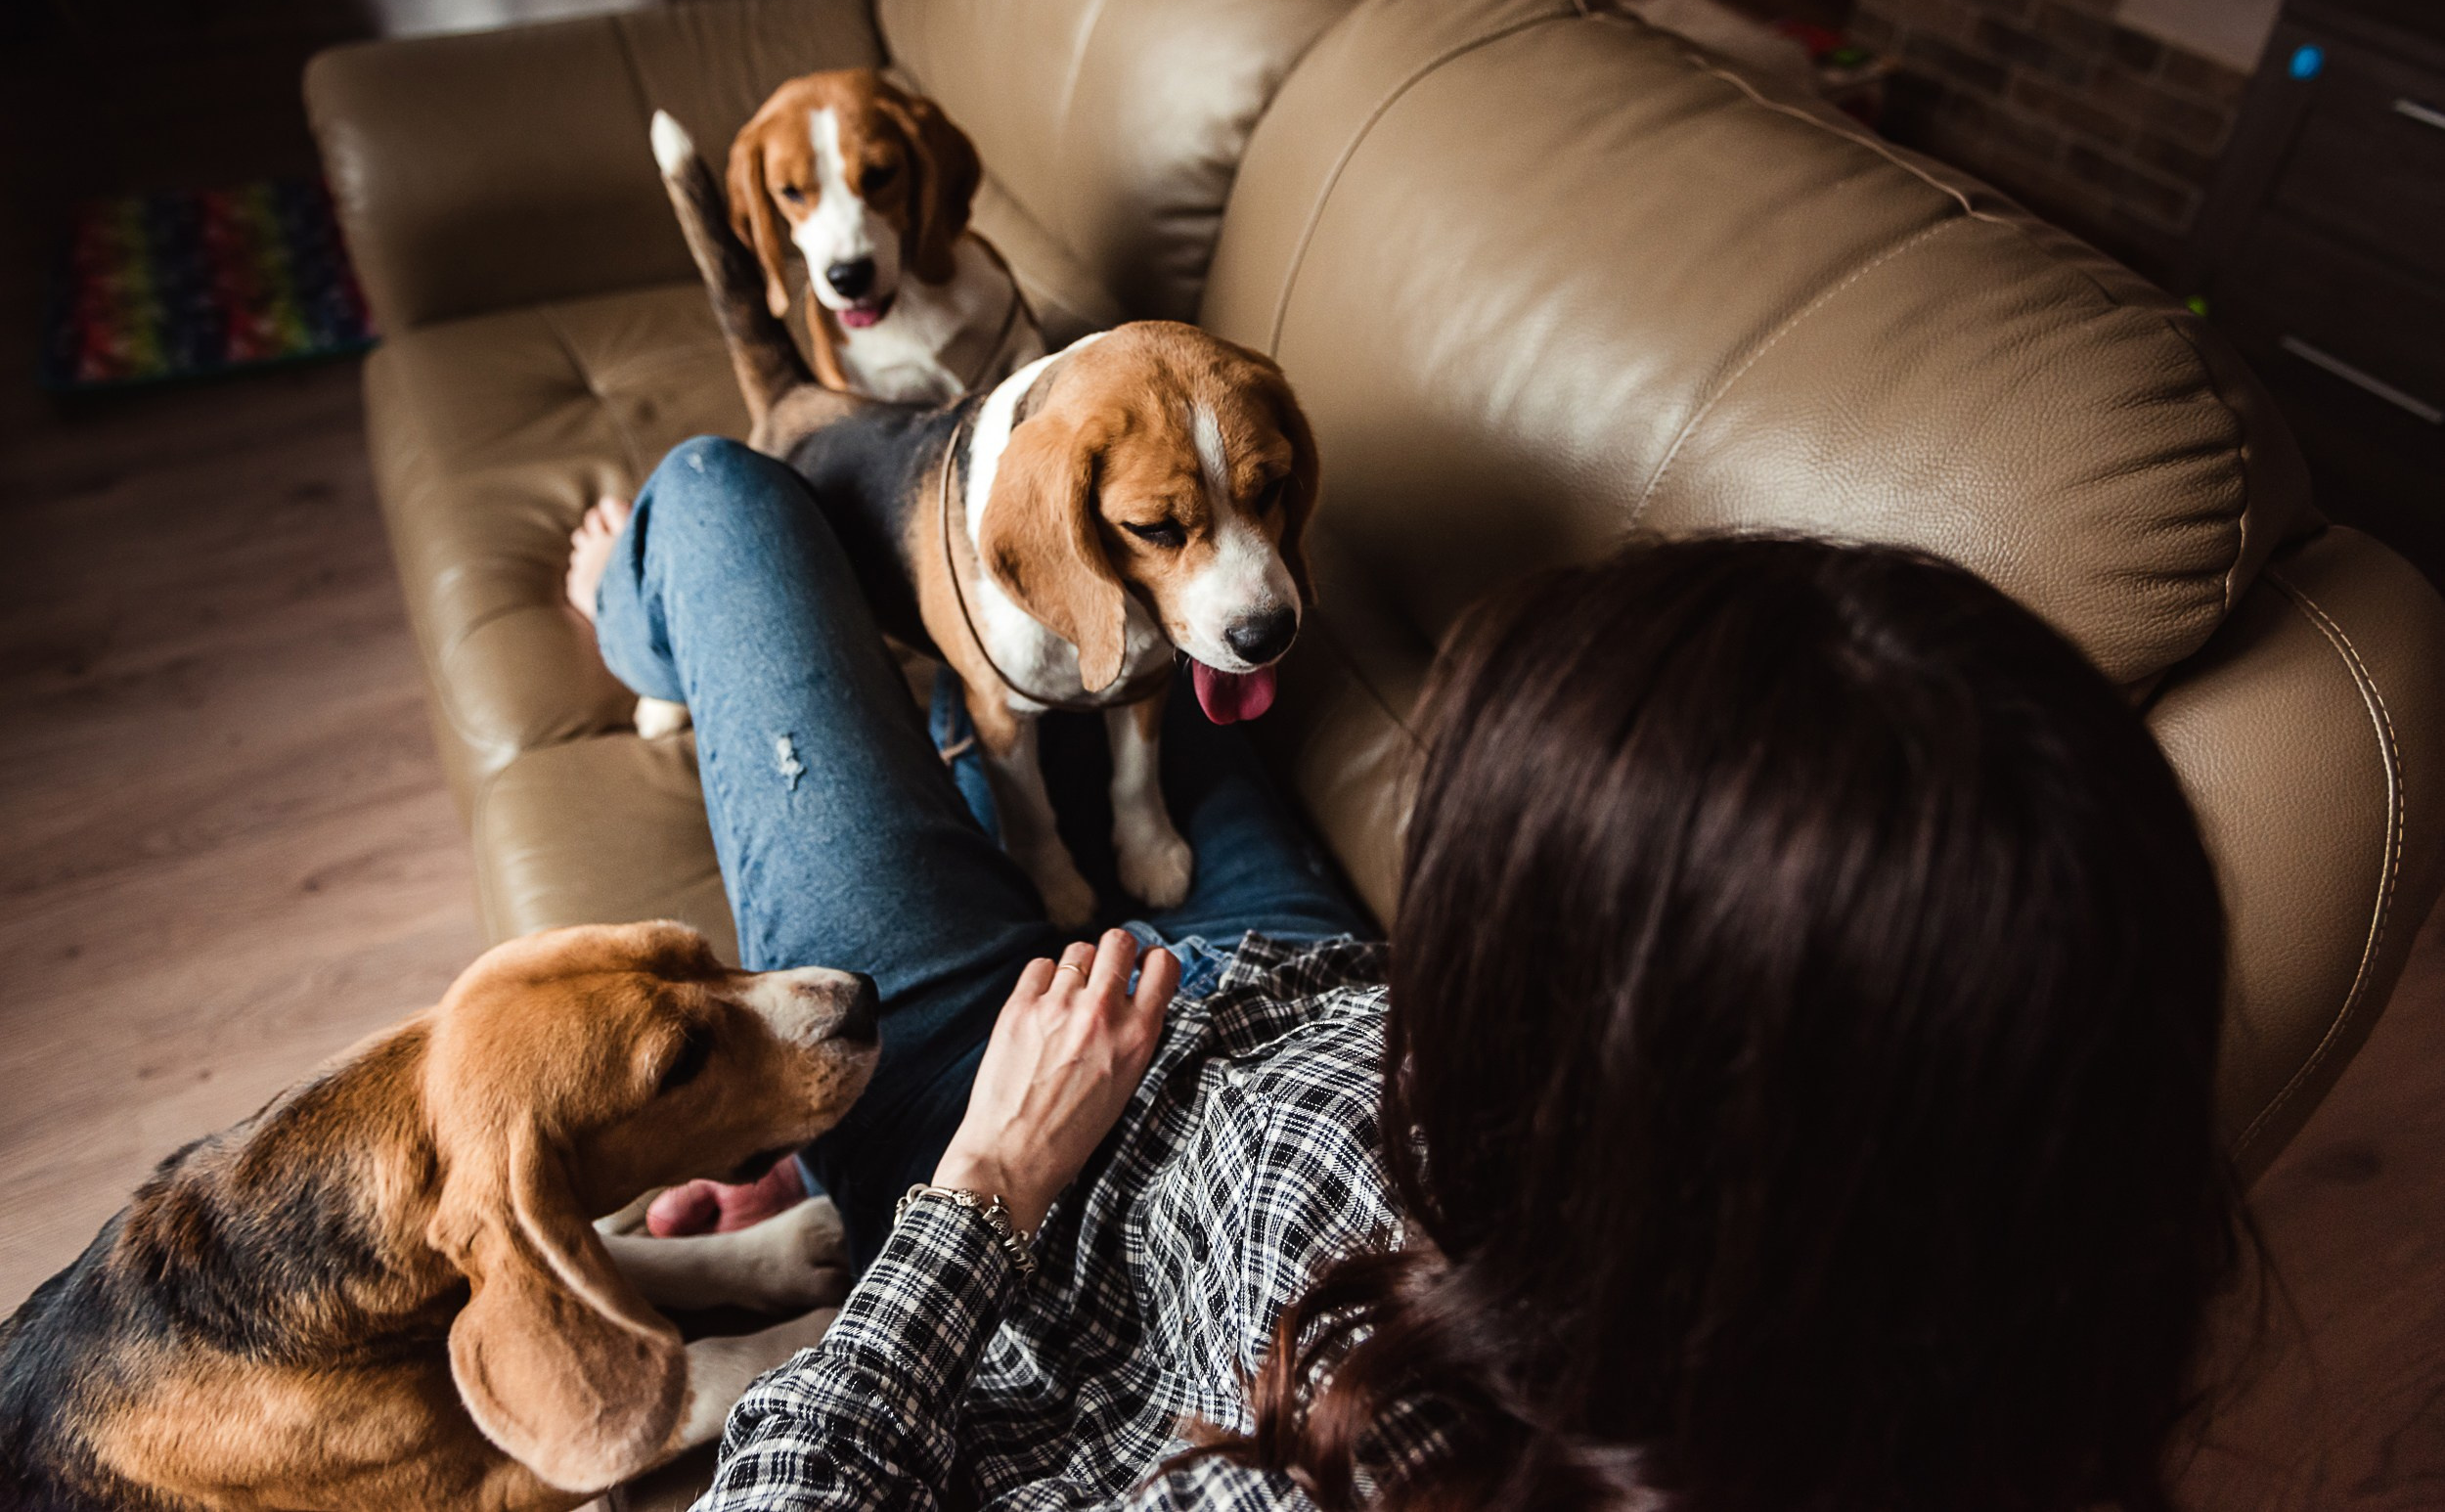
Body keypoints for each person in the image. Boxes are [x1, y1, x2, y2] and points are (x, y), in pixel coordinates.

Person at [565, 436, 2235, 1512]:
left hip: (995, 1126)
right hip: (1287, 972)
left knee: (715, 496)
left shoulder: (1395, 1467)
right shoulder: (1905, 1291)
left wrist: (980, 1190)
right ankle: (946, 720)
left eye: (1485, 906)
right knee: (1155, 664)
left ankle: (630, 609)